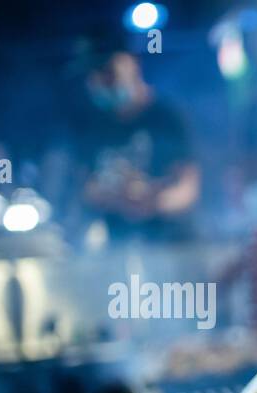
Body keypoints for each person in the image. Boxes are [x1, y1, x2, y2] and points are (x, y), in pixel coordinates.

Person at [70, 35, 200, 241]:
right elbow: (85, 188)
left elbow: (188, 190)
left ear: (132, 62)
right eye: (92, 74)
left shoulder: (167, 117)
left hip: (168, 243)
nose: (100, 81)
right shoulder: (91, 125)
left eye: (107, 70)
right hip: (114, 245)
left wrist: (151, 202)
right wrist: (117, 198)